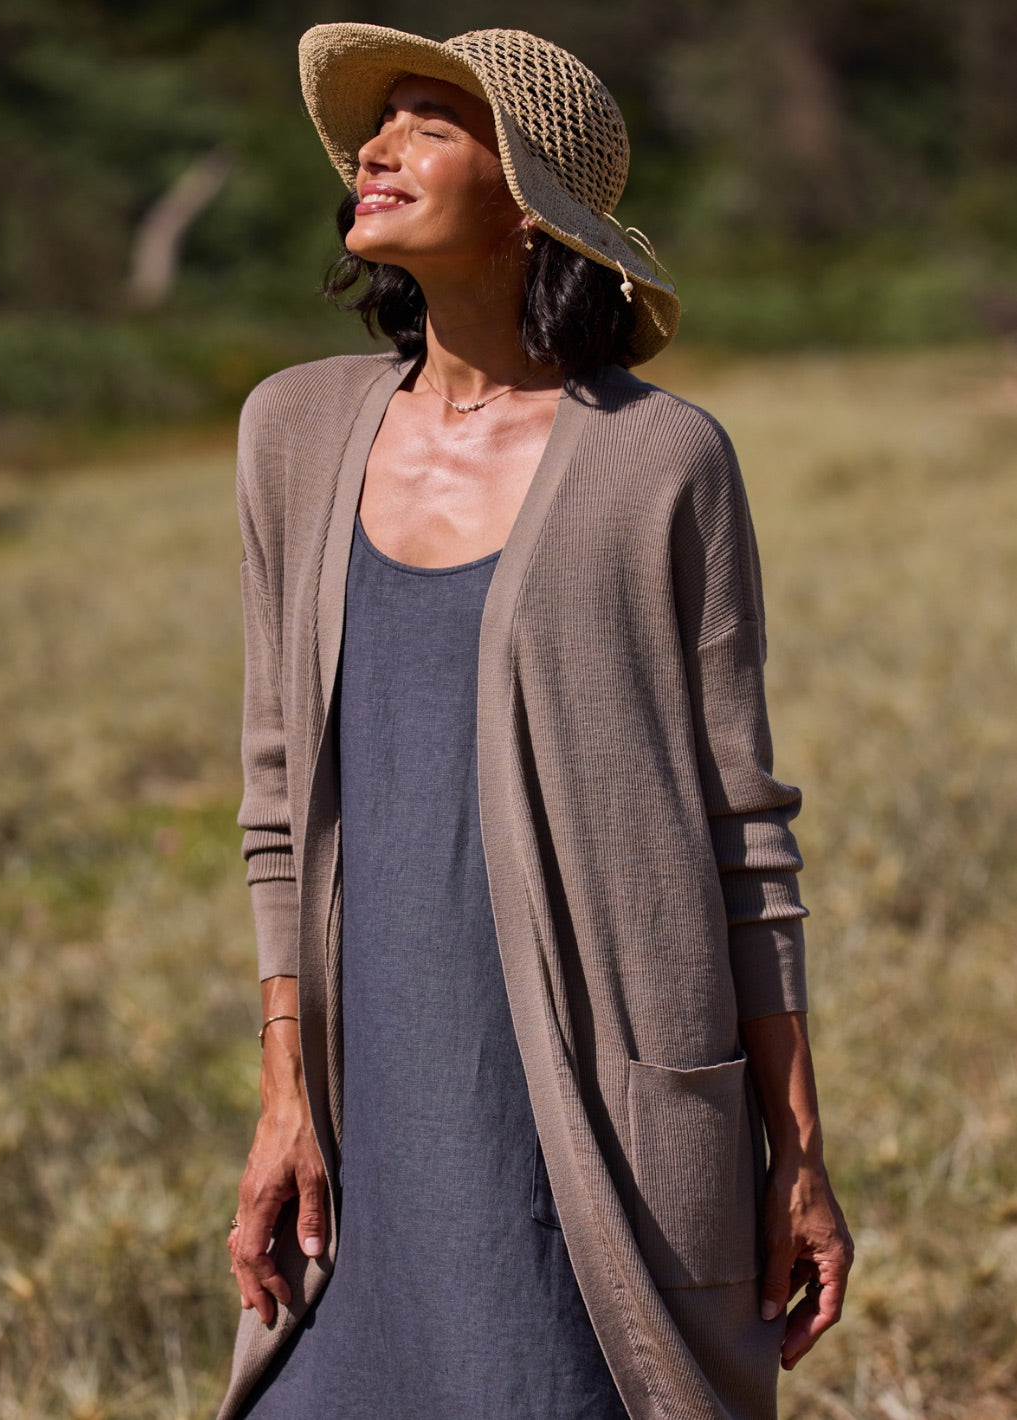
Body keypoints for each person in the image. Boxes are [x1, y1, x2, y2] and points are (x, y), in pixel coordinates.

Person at [219, 23, 853, 1420]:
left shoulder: (657, 458)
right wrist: (282, 1091)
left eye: (430, 126)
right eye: (375, 127)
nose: (375, 151)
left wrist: (794, 1149)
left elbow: (741, 828)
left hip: (594, 1097)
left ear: (528, 200)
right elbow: (276, 799)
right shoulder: (293, 431)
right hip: (372, 1080)